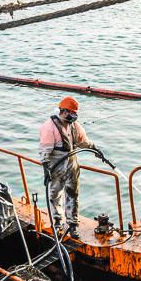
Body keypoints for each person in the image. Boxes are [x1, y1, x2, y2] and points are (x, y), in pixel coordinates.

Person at [39, 96, 104, 239]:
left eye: (74, 113)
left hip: (72, 165)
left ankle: (73, 224)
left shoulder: (75, 126)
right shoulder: (49, 127)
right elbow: (45, 151)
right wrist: (46, 170)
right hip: (55, 166)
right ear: (62, 111)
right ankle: (57, 224)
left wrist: (96, 149)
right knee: (54, 196)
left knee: (73, 195)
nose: (72, 116)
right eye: (70, 113)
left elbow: (84, 142)